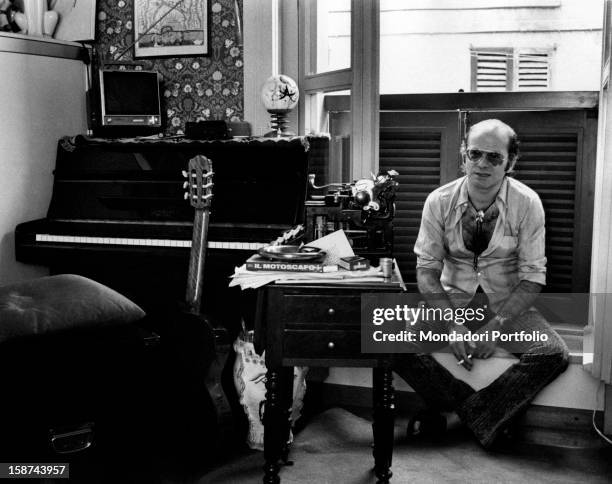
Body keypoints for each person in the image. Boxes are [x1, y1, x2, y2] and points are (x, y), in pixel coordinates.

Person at [393, 119, 569, 449]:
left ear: (510, 163)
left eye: (493, 157)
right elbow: (427, 272)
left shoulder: (528, 203)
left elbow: (533, 277)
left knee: (553, 352)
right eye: (475, 154)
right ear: (463, 156)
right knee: (390, 341)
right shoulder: (438, 201)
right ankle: (476, 413)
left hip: (508, 300)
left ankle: (459, 416)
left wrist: (497, 325)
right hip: (451, 298)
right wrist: (452, 323)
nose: (482, 165)